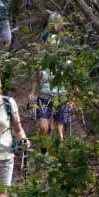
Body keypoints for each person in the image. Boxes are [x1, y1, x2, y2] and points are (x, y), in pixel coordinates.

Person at [28, 12, 70, 152]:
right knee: (43, 127)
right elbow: (36, 78)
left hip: (60, 95)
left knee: (59, 127)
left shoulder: (64, 60)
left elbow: (69, 78)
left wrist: (72, 96)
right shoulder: (41, 60)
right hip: (44, 96)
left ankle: (61, 153)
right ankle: (43, 151)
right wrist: (32, 92)